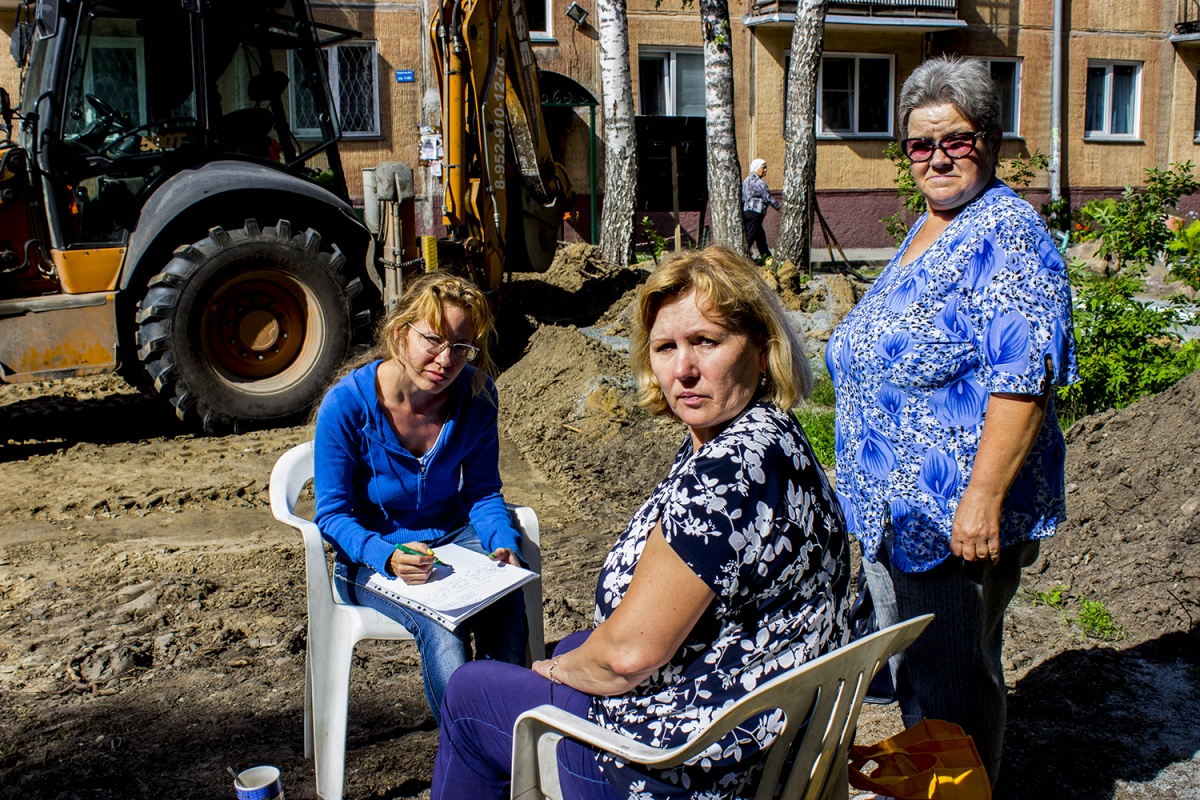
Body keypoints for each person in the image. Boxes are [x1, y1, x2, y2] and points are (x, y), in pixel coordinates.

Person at [430, 246, 852, 800]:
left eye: (707, 341)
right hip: (758, 733)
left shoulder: (729, 470)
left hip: (678, 766)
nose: (684, 369)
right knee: (567, 650)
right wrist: (571, 661)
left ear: (760, 343)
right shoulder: (773, 436)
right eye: (666, 347)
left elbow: (629, 657)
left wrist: (555, 673)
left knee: (469, 693)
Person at [825, 55, 1079, 785]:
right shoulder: (931, 226)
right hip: (898, 515)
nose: (937, 157)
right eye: (920, 144)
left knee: (949, 695)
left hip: (949, 518)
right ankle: (936, 785)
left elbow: (1021, 380)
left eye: (956, 140)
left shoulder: (1006, 233)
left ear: (991, 141)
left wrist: (983, 498)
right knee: (922, 684)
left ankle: (958, 789)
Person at [313, 272, 527, 725]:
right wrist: (386, 555)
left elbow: (484, 492)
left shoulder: (477, 394)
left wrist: (500, 541)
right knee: (441, 626)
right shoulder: (346, 406)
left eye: (462, 347)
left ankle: (507, 737)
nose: (446, 360)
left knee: (507, 603)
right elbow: (332, 515)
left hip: (454, 540)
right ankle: (471, 749)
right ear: (399, 334)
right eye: (433, 340)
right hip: (369, 556)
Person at [742, 158, 781, 259]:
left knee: (760, 238)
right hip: (756, 213)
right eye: (763, 167)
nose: (765, 170)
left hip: (747, 212)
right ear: (756, 168)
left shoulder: (746, 181)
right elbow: (768, 198)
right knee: (749, 239)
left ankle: (767, 258)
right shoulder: (759, 183)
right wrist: (780, 209)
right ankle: (741, 259)